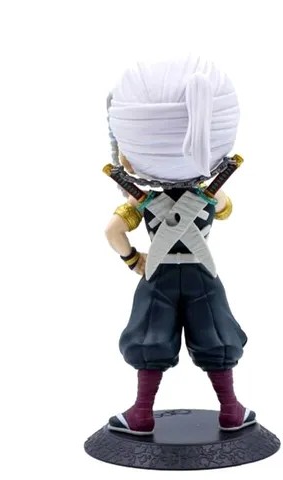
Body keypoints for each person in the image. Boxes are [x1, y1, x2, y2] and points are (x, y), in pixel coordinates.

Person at [103, 56, 256, 435]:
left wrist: (133, 260)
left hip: (159, 277)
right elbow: (225, 209)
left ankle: (142, 413)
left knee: (150, 338)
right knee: (215, 335)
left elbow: (113, 232)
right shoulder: (211, 195)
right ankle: (230, 410)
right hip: (203, 276)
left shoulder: (138, 202)